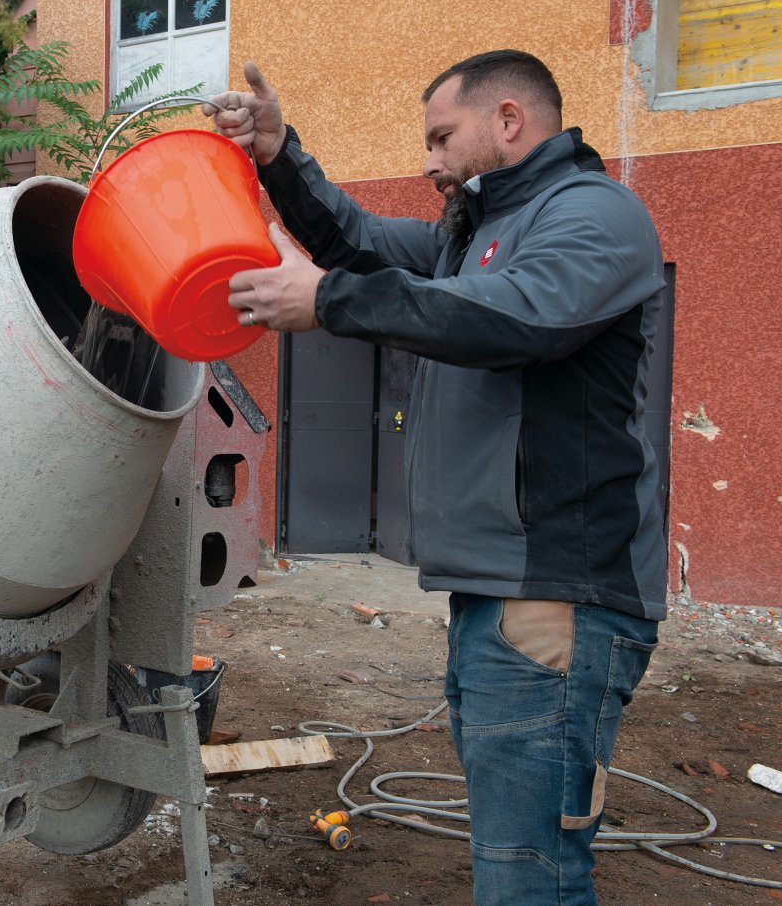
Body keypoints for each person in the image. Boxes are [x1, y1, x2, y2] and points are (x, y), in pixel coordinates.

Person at [207, 50, 667, 906]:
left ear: (509, 122)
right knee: (516, 855)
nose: (428, 161)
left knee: (530, 874)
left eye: (441, 137)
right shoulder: (474, 239)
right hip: (500, 594)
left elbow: (517, 315)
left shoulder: (595, 217)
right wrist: (277, 154)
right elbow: (362, 242)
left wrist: (332, 301)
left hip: (554, 598)